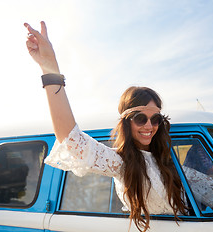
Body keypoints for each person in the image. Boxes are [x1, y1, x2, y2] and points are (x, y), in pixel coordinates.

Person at [24, 21, 187, 232]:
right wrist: (49, 66)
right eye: (140, 118)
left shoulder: (168, 160)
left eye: (155, 119)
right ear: (126, 123)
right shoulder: (121, 162)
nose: (149, 126)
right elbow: (72, 140)